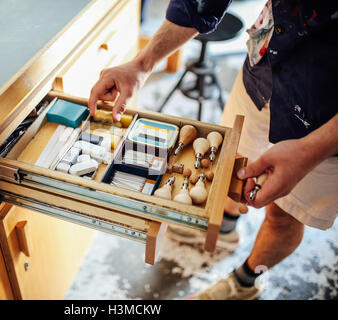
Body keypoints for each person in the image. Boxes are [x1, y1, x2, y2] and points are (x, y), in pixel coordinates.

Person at [88, 0, 338, 300]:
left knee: (283, 214)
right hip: (265, 68)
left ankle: (246, 281)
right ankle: (225, 229)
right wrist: (142, 64)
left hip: (327, 122)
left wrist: (310, 151)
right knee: (229, 167)